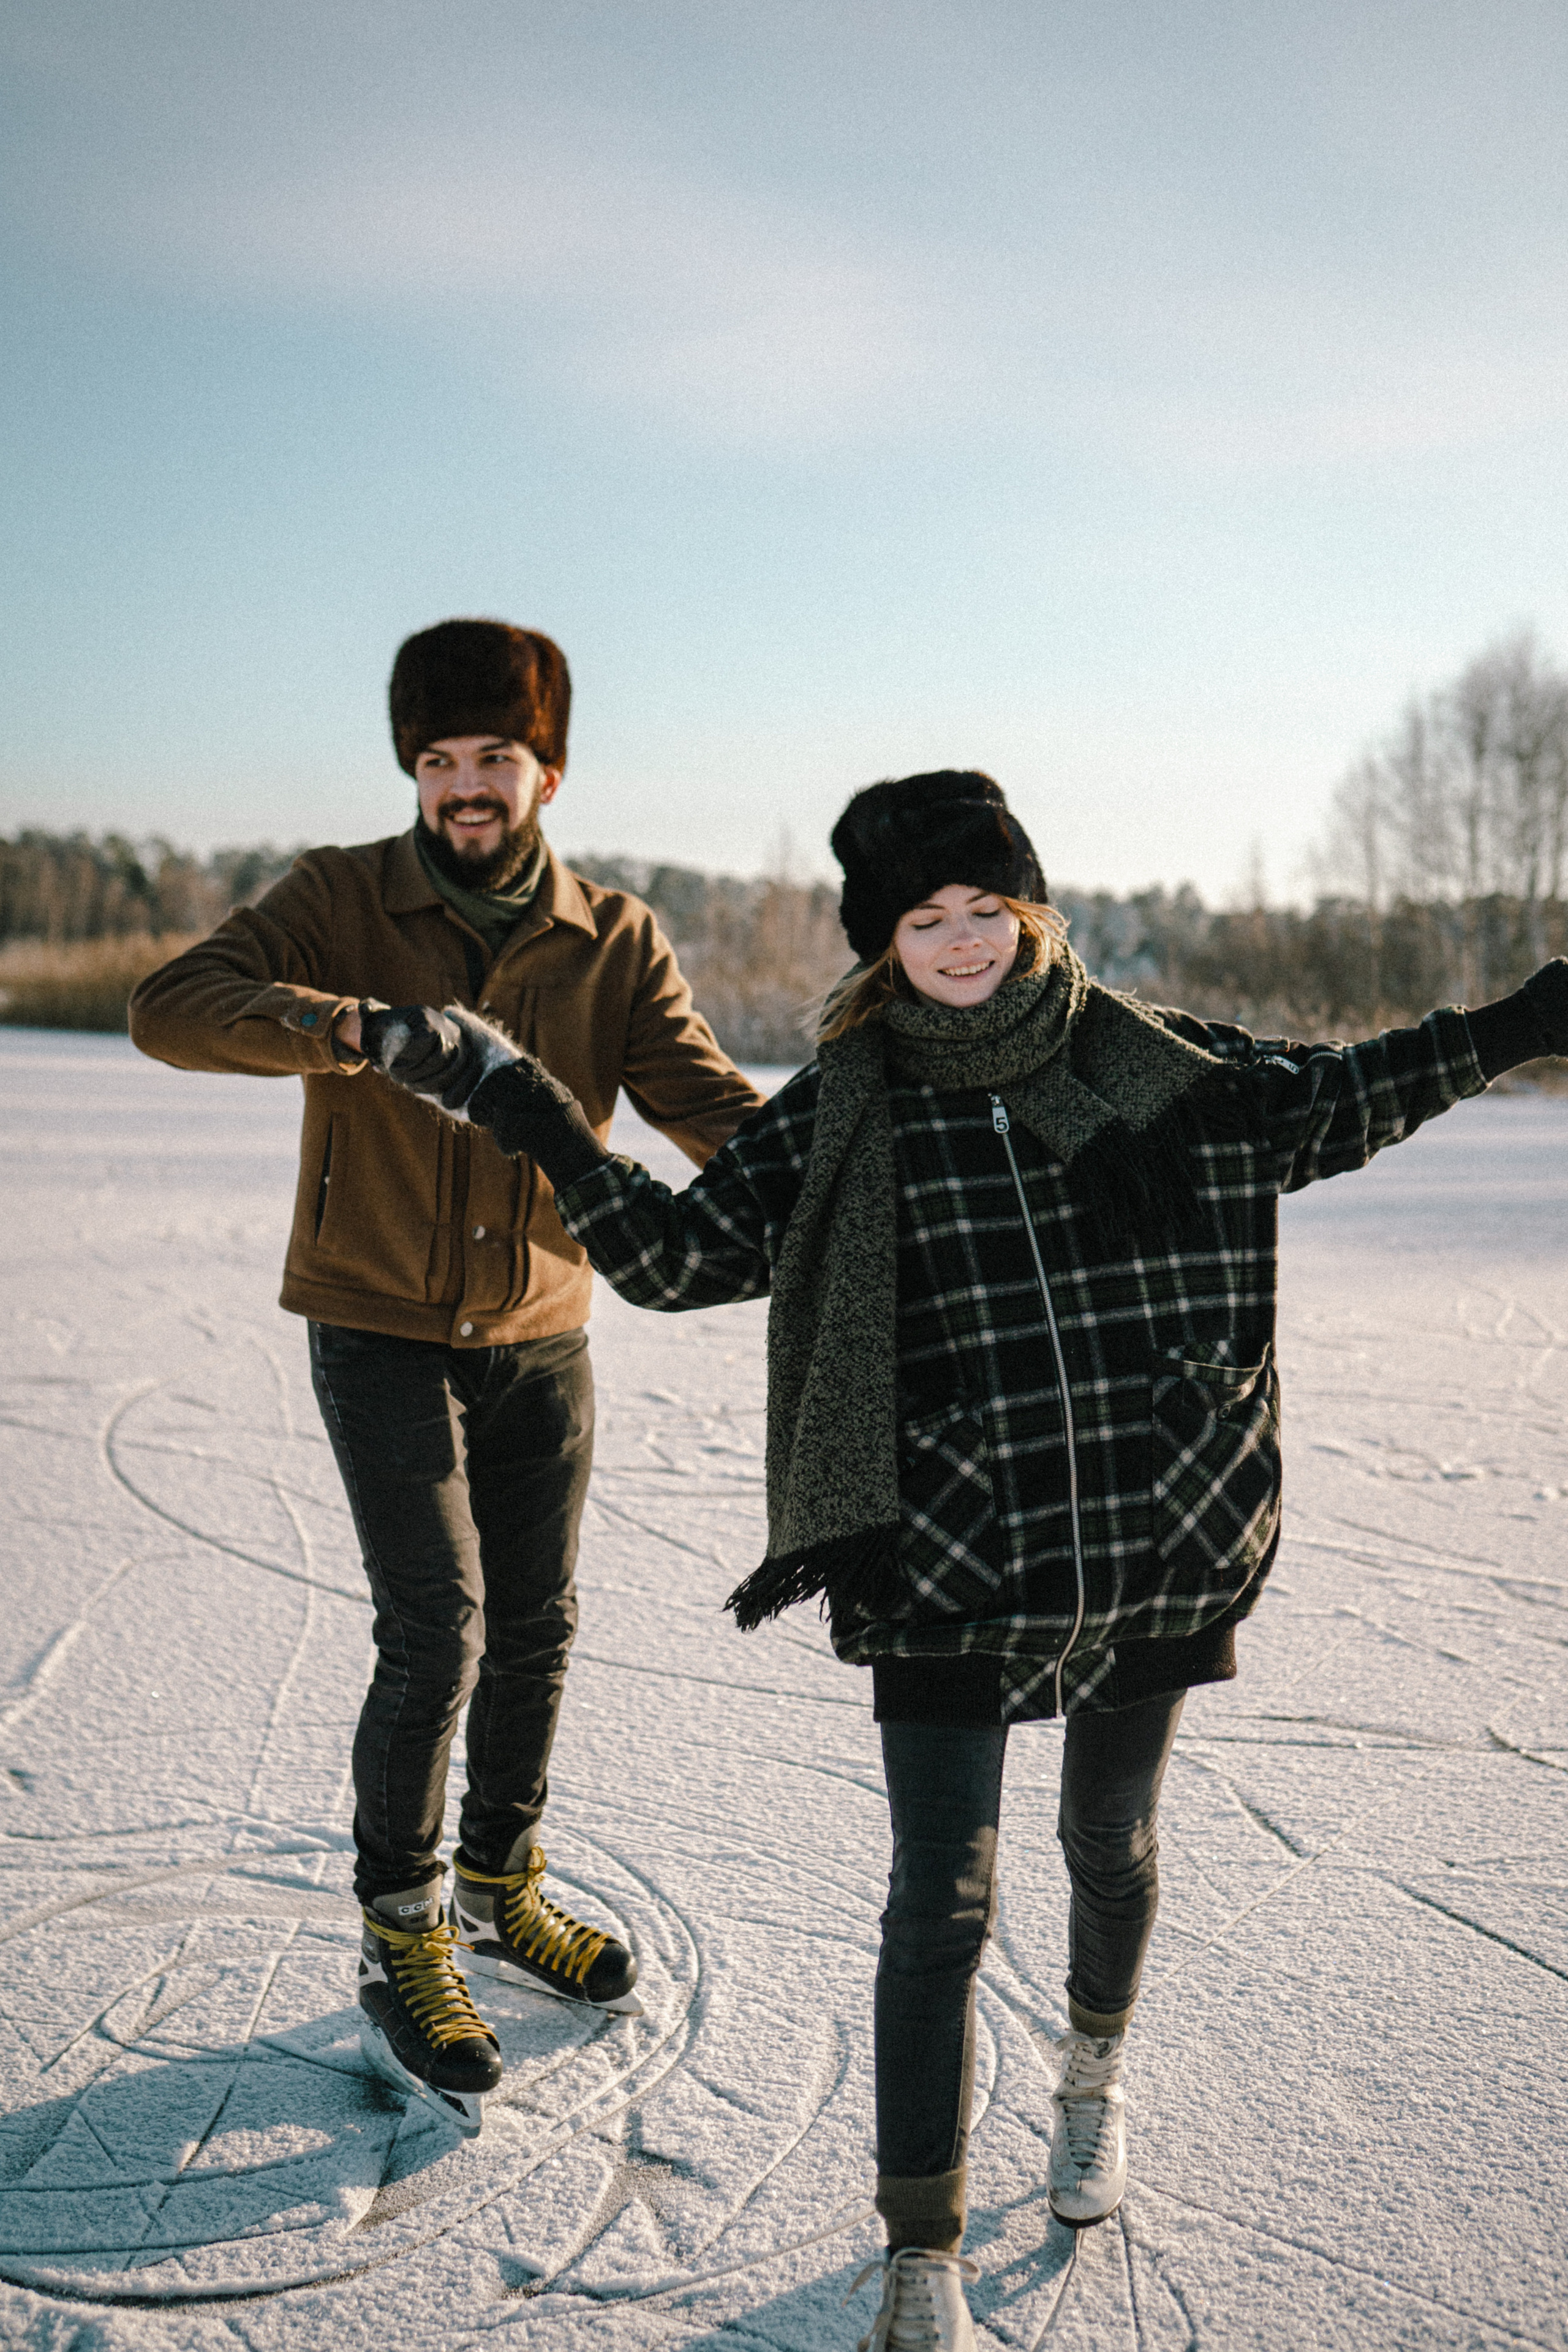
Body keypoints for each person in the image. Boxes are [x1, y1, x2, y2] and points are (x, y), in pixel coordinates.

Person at [360, 768, 1568, 2345]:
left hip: (1158, 1527)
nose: (956, 944)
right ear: (879, 942)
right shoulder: (845, 1105)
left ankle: (1088, 2083)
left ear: (1029, 906)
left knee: (1108, 1843)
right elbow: (669, 1259)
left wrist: (1524, 1017)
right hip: (943, 1549)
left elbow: (1336, 1098)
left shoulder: (1161, 1064)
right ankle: (919, 2241)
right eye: (920, 921)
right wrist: (518, 1102)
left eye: (981, 910)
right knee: (937, 1900)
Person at [129, 617, 766, 2134]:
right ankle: (405, 1927)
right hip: (377, 1322)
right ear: (412, 768)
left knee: (537, 1627)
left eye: (493, 759)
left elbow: (709, 1107)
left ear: (548, 767)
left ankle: (501, 1885)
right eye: (438, 762)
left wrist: (850, 1181)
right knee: (439, 1627)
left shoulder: (614, 935)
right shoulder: (344, 896)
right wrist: (348, 1029)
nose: (464, 788)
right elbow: (170, 1008)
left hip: (544, 1326)